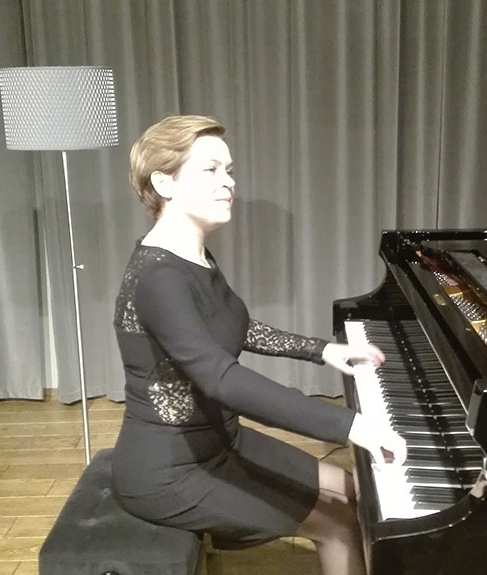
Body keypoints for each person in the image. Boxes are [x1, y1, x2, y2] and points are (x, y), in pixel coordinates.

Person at [111, 114, 407, 575]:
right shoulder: (160, 276)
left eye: (229, 170)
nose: (228, 182)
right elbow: (221, 379)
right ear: (164, 184)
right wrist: (350, 425)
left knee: (353, 492)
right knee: (339, 524)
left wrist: (322, 350)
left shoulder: (193, 255)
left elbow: (238, 326)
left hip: (220, 441)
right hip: (170, 471)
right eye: (210, 170)